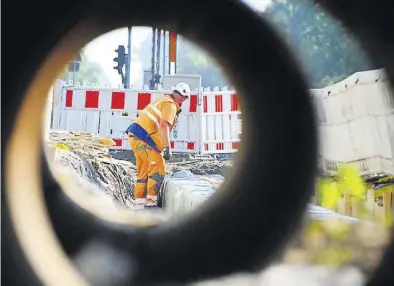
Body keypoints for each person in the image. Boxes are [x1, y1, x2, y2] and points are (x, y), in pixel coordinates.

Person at [126, 82, 191, 208]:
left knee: (143, 170)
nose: (183, 101)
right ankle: (151, 203)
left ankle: (139, 204)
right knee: (158, 169)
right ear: (183, 97)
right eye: (184, 99)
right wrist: (167, 147)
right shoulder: (170, 104)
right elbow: (163, 125)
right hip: (145, 138)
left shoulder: (163, 99)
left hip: (135, 135)